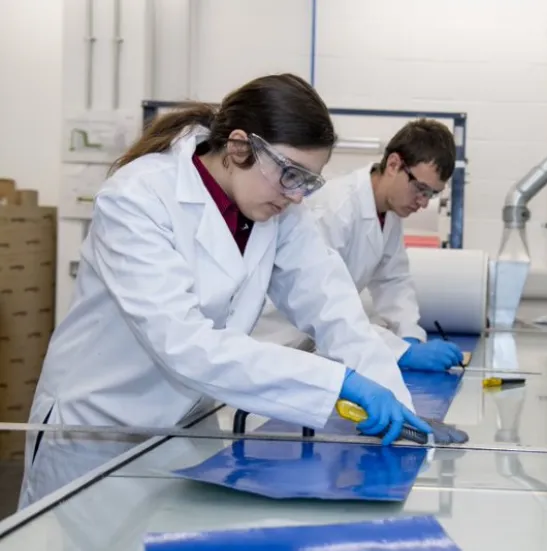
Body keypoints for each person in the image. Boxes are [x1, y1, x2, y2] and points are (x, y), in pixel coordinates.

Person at [18, 74, 432, 510]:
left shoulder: (280, 211)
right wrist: (336, 382)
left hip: (184, 426)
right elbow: (185, 344)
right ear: (238, 148)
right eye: (290, 173)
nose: (296, 195)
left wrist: (398, 410)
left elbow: (332, 306)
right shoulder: (137, 197)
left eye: (307, 181)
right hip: (97, 429)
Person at [305, 119, 464, 372]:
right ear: (393, 164)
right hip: (280, 342)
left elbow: (393, 280)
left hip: (316, 346)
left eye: (431, 194)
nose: (423, 202)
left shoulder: (389, 211)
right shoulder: (335, 209)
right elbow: (324, 304)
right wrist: (401, 352)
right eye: (420, 188)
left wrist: (408, 334)